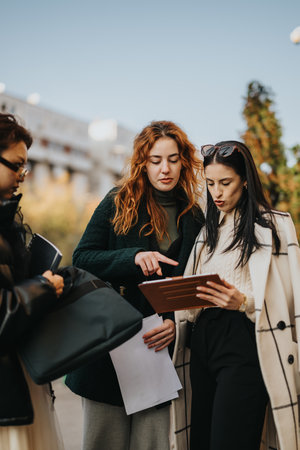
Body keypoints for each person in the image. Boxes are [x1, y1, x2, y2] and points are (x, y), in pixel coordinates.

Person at [66, 120, 205, 450]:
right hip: (111, 345)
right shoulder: (118, 200)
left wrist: (176, 324)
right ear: (143, 162)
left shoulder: (195, 216)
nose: (165, 169)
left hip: (158, 352)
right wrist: (132, 257)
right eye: (156, 160)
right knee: (104, 443)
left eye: (173, 159)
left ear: (184, 160)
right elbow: (82, 257)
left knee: (153, 444)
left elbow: (195, 285)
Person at [172, 140, 300, 450]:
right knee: (199, 439)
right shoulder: (208, 232)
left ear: (245, 180)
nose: (216, 192)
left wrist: (242, 301)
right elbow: (192, 291)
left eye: (225, 182)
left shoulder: (275, 226)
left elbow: (291, 298)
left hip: (245, 340)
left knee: (231, 441)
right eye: (211, 183)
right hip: (202, 342)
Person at [0, 113, 65, 450]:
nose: (22, 176)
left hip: (18, 380)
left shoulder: (5, 219)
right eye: (16, 165)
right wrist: (43, 287)